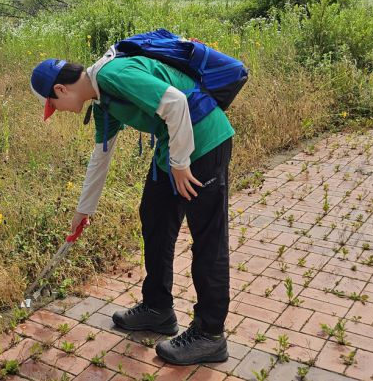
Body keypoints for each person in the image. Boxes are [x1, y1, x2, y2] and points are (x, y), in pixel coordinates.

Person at [30, 48, 234, 366]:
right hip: (174, 146)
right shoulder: (101, 102)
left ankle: (210, 335)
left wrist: (180, 163)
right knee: (154, 217)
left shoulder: (113, 75)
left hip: (204, 141)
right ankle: (157, 309)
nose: (58, 110)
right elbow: (101, 155)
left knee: (208, 238)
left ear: (60, 89)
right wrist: (83, 211)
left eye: (53, 105)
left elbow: (176, 102)